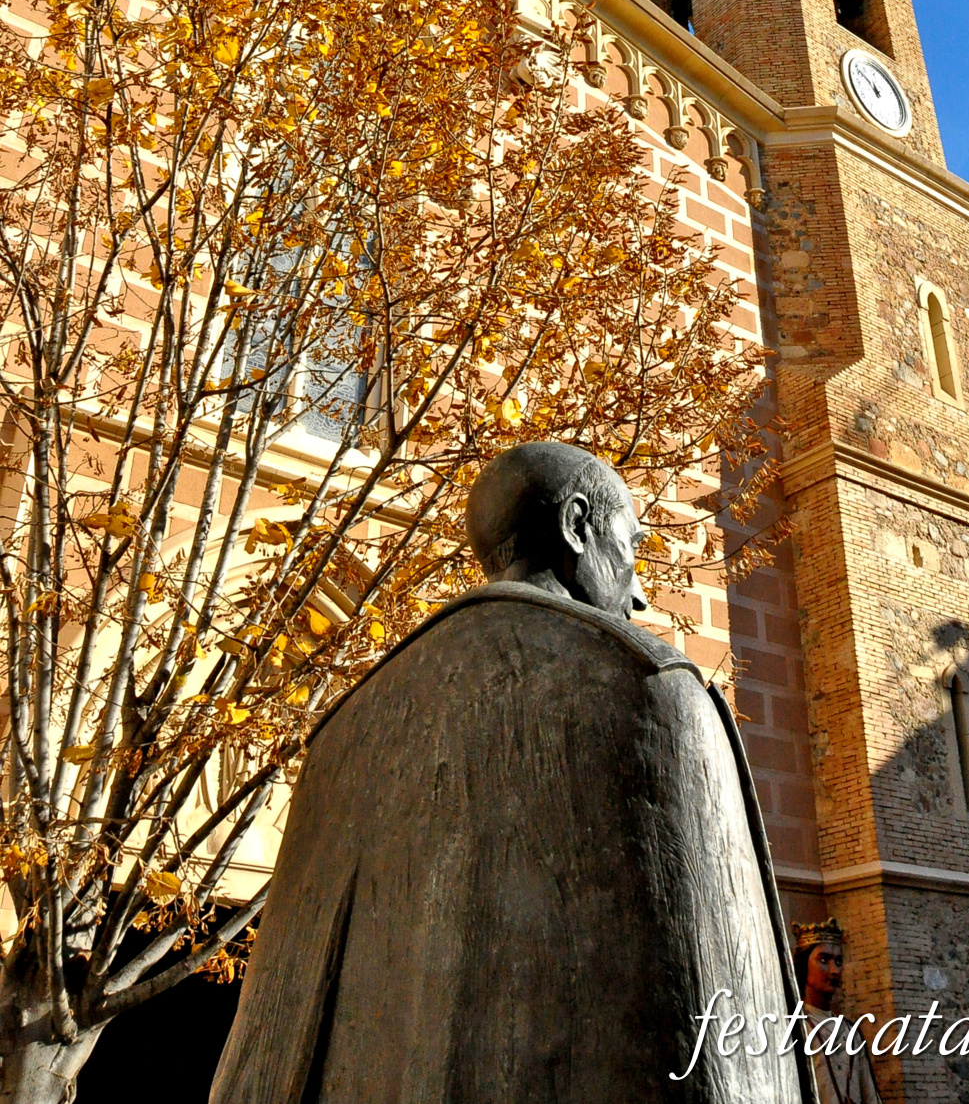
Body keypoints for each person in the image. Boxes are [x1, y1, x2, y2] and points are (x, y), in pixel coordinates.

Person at [212, 442, 808, 1103]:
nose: (639, 593)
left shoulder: (338, 737)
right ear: (578, 525)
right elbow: (728, 1044)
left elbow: (261, 1063)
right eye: (631, 544)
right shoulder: (647, 684)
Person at [793, 919, 883, 1104]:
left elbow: (870, 1095)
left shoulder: (851, 1032)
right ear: (804, 965)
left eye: (839, 961)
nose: (834, 970)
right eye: (824, 960)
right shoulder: (793, 1027)